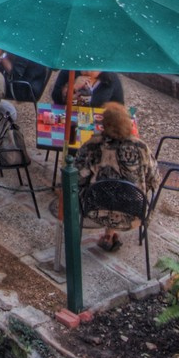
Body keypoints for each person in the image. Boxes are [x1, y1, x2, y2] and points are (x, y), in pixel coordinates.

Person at [73, 101, 159, 253]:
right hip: (133, 215)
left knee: (98, 190)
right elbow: (154, 179)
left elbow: (77, 177)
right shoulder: (141, 148)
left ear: (104, 125)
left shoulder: (92, 145)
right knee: (125, 192)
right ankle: (110, 234)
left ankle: (109, 233)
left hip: (95, 211)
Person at [48, 69, 126, 108]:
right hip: (68, 118)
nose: (88, 71)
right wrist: (72, 87)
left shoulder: (111, 79)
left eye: (93, 68)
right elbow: (56, 97)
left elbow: (119, 105)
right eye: (85, 67)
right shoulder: (69, 72)